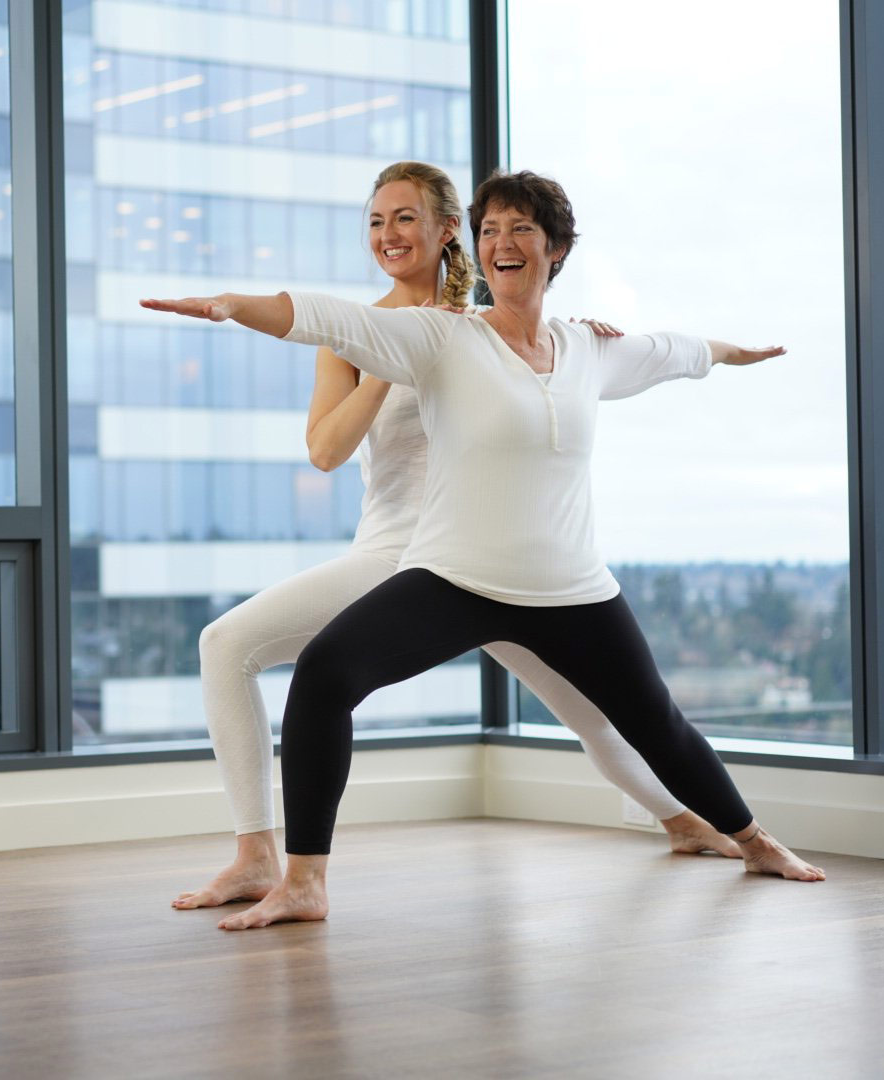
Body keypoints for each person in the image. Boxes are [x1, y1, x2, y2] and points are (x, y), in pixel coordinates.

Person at [143, 168, 826, 931]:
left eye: (521, 231)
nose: (388, 235)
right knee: (314, 669)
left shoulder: (577, 347)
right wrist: (233, 306)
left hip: (562, 579)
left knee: (632, 717)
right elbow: (319, 324)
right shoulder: (436, 336)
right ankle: (293, 873)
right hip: (441, 560)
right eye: (376, 221)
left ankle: (731, 833)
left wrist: (738, 352)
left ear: (549, 249)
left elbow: (672, 351)